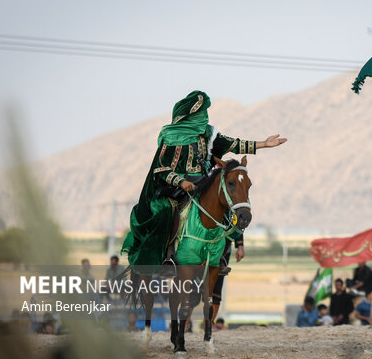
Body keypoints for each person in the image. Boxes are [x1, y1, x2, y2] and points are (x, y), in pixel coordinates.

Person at [121, 90, 286, 270]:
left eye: (205, 112)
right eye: (201, 113)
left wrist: (263, 143)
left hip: (204, 183)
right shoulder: (171, 136)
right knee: (165, 209)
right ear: (190, 115)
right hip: (175, 186)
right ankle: (166, 256)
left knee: (228, 208)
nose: (204, 116)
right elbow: (161, 168)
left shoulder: (209, 133)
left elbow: (234, 144)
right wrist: (181, 182)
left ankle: (221, 257)